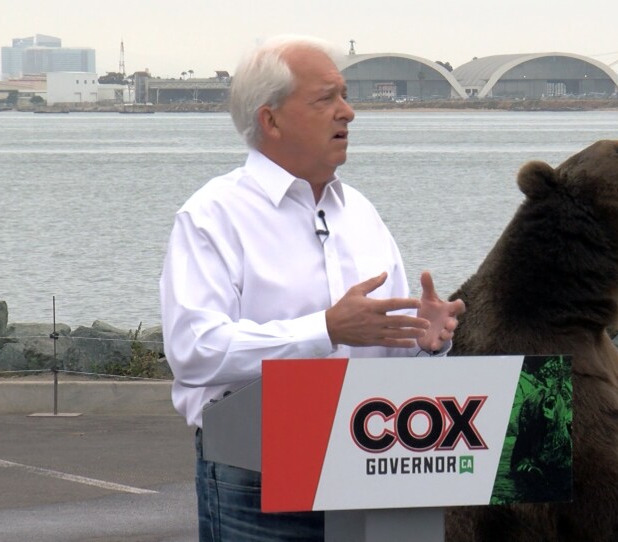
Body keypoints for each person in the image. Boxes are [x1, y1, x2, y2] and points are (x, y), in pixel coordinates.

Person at [159, 34, 466, 541]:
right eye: (327, 99)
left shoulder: (362, 215)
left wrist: (426, 344)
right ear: (270, 120)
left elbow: (385, 353)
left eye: (345, 96)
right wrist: (325, 329)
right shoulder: (213, 216)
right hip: (258, 474)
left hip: (378, 460)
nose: (348, 113)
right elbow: (195, 350)